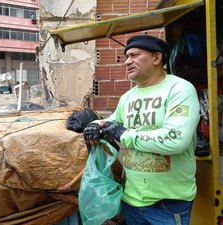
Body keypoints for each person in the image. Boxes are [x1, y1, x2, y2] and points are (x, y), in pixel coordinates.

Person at [83, 34, 200, 225]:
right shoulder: (128, 97)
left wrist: (123, 134)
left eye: (135, 55)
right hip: (132, 199)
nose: (127, 61)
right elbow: (114, 120)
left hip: (168, 203)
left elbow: (176, 140)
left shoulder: (179, 89)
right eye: (126, 56)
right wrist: (96, 125)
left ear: (156, 58)